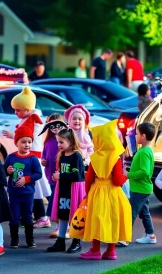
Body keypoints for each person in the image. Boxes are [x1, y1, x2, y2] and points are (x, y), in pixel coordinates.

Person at [79, 120, 132, 260]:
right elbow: (117, 181)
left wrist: (87, 194)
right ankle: (111, 251)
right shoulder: (116, 158)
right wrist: (125, 176)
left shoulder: (95, 158)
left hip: (98, 192)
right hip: (114, 194)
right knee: (113, 220)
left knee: (97, 220)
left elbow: (89, 179)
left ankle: (95, 250)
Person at [2, 86, 52, 228]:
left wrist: (14, 135)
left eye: (18, 110)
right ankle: (40, 216)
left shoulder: (33, 119)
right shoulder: (29, 118)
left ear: (28, 109)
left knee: (39, 189)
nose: (15, 112)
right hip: (29, 158)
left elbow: (27, 135)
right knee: (37, 189)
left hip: (32, 159)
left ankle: (47, 216)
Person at [46, 128, 85, 253]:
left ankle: (76, 241)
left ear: (71, 141)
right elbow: (62, 172)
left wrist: (61, 176)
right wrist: (57, 175)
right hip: (63, 189)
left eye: (61, 142)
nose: (59, 145)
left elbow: (78, 176)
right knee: (63, 215)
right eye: (58, 142)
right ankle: (60, 241)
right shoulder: (62, 155)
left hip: (74, 191)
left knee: (74, 216)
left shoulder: (76, 156)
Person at [62, 104, 94, 252]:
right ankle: (61, 237)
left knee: (78, 208)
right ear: (69, 120)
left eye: (80, 119)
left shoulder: (86, 135)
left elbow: (90, 150)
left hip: (80, 177)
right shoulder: (66, 135)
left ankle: (77, 239)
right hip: (65, 177)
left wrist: (86, 160)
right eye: (74, 118)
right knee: (64, 208)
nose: (77, 121)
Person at [5, 125, 42, 249]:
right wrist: (8, 171)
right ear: (16, 143)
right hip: (14, 193)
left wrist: (26, 179)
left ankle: (29, 239)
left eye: (29, 142)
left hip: (28, 193)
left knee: (27, 216)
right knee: (14, 217)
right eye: (23, 142)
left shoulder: (33, 159)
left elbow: (38, 174)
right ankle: (14, 239)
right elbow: (4, 171)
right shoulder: (11, 157)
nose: (27, 144)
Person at [124, 122, 157, 244]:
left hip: (140, 189)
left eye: (137, 134)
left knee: (130, 212)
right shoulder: (145, 150)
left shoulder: (144, 152)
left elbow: (144, 171)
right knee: (144, 212)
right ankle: (150, 235)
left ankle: (125, 238)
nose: (135, 136)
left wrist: (129, 175)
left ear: (143, 136)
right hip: (142, 188)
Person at [39, 114, 68, 238]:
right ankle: (59, 226)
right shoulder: (48, 141)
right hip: (51, 176)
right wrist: (43, 160)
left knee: (63, 202)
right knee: (54, 201)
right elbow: (44, 155)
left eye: (58, 125)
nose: (55, 128)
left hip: (62, 176)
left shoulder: (65, 141)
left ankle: (65, 227)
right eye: (52, 125)